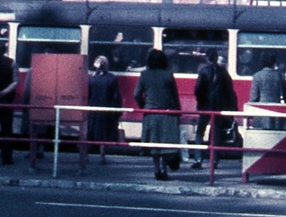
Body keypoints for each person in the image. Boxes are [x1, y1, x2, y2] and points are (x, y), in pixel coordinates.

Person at [134, 48, 182, 180]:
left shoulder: (144, 75)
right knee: (165, 144)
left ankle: (156, 169)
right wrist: (178, 111)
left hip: (151, 113)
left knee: (154, 144)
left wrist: (143, 106)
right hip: (167, 113)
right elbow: (174, 96)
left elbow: (136, 94)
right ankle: (164, 169)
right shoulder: (168, 75)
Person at [192, 51, 237, 170]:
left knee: (200, 132)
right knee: (216, 134)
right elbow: (229, 92)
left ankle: (198, 158)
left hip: (205, 106)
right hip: (219, 107)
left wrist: (200, 101)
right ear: (216, 58)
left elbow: (197, 89)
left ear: (207, 58)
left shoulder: (203, 71)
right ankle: (214, 160)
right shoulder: (223, 72)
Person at [81, 55, 124, 169]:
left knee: (90, 132)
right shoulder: (112, 78)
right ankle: (102, 156)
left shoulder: (91, 79)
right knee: (103, 134)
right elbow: (116, 97)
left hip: (93, 108)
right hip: (106, 109)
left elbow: (88, 94)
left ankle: (86, 156)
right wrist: (117, 111)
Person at [248, 54, 286, 131]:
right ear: (274, 62)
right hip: (277, 111)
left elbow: (254, 97)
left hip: (261, 112)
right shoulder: (281, 75)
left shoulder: (257, 76)